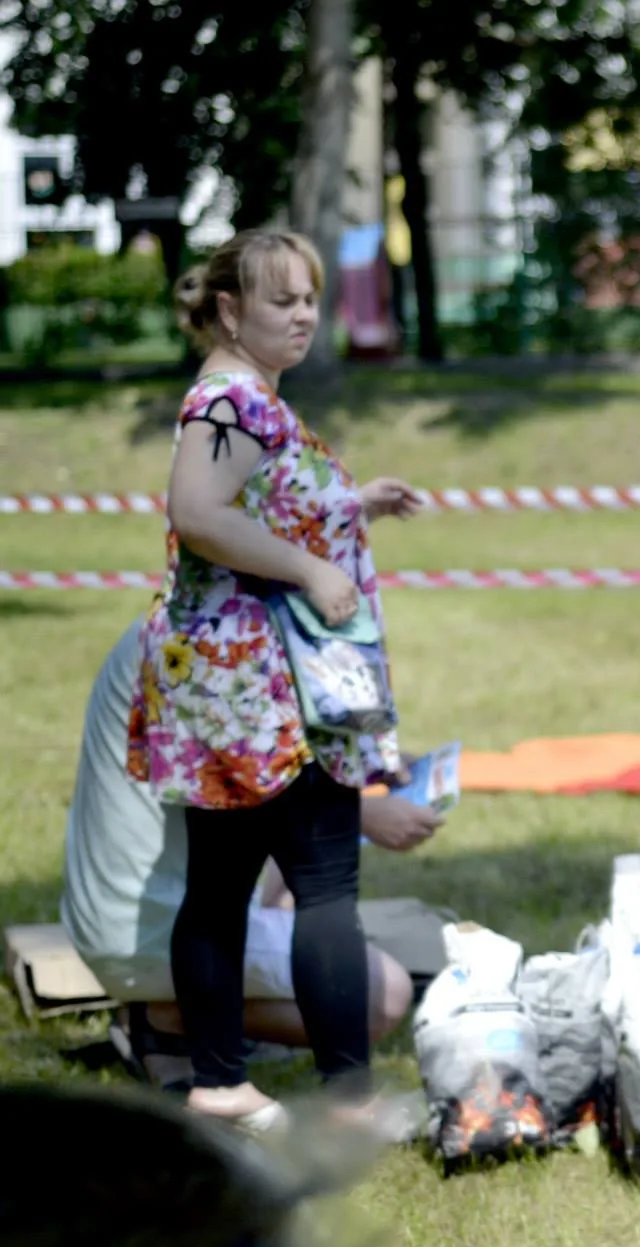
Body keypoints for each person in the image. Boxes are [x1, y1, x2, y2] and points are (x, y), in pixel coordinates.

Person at [126, 229, 424, 1130]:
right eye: (282, 301)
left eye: (310, 300)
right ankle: (348, 1101)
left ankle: (220, 1084)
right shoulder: (230, 400)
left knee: (220, 888)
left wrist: (347, 502)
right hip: (267, 688)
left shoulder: (244, 396)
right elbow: (200, 511)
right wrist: (312, 569)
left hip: (233, 683)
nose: (303, 317)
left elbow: (254, 502)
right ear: (228, 310)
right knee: (324, 885)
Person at [65, 617, 441, 1089]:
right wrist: (365, 814)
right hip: (152, 924)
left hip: (123, 905)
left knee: (286, 886)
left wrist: (369, 768)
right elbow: (269, 784)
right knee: (381, 996)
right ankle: (165, 1016)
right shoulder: (221, 650)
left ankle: (193, 1014)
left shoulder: (188, 624)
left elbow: (274, 761)